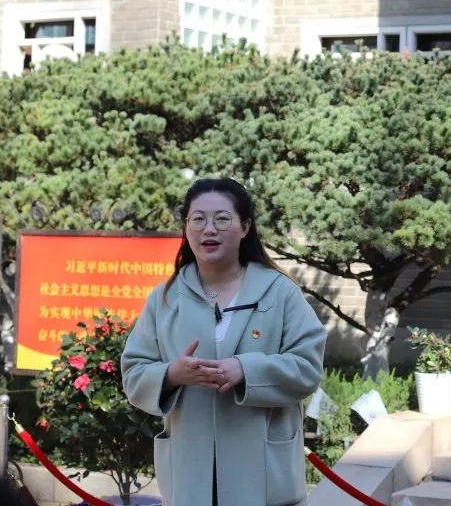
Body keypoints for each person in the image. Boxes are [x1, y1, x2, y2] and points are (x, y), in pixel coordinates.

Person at [122, 177, 326, 505]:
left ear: (245, 227)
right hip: (190, 472)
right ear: (186, 228)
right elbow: (134, 373)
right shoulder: (165, 298)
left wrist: (245, 370)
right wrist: (173, 374)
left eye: (222, 219)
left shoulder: (279, 292)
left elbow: (308, 367)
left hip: (262, 474)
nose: (209, 229)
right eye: (198, 219)